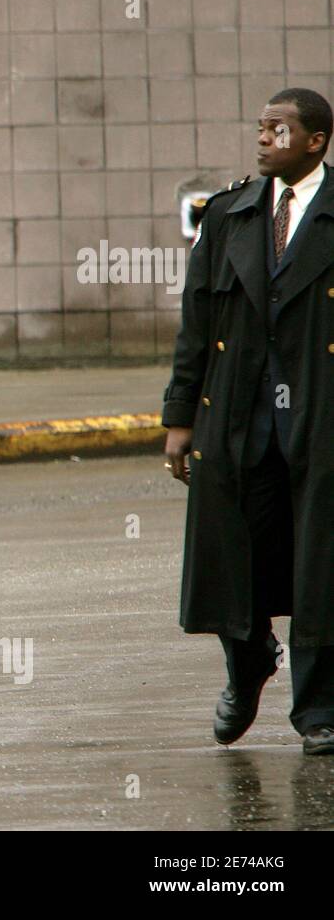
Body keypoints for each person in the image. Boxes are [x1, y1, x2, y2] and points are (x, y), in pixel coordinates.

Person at [163, 87, 334, 754]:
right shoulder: (230, 215)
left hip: (319, 418)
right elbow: (196, 325)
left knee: (321, 559)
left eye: (279, 129)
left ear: (315, 141)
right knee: (232, 553)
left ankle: (318, 707)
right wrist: (180, 417)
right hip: (238, 415)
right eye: (261, 128)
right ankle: (248, 663)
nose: (264, 139)